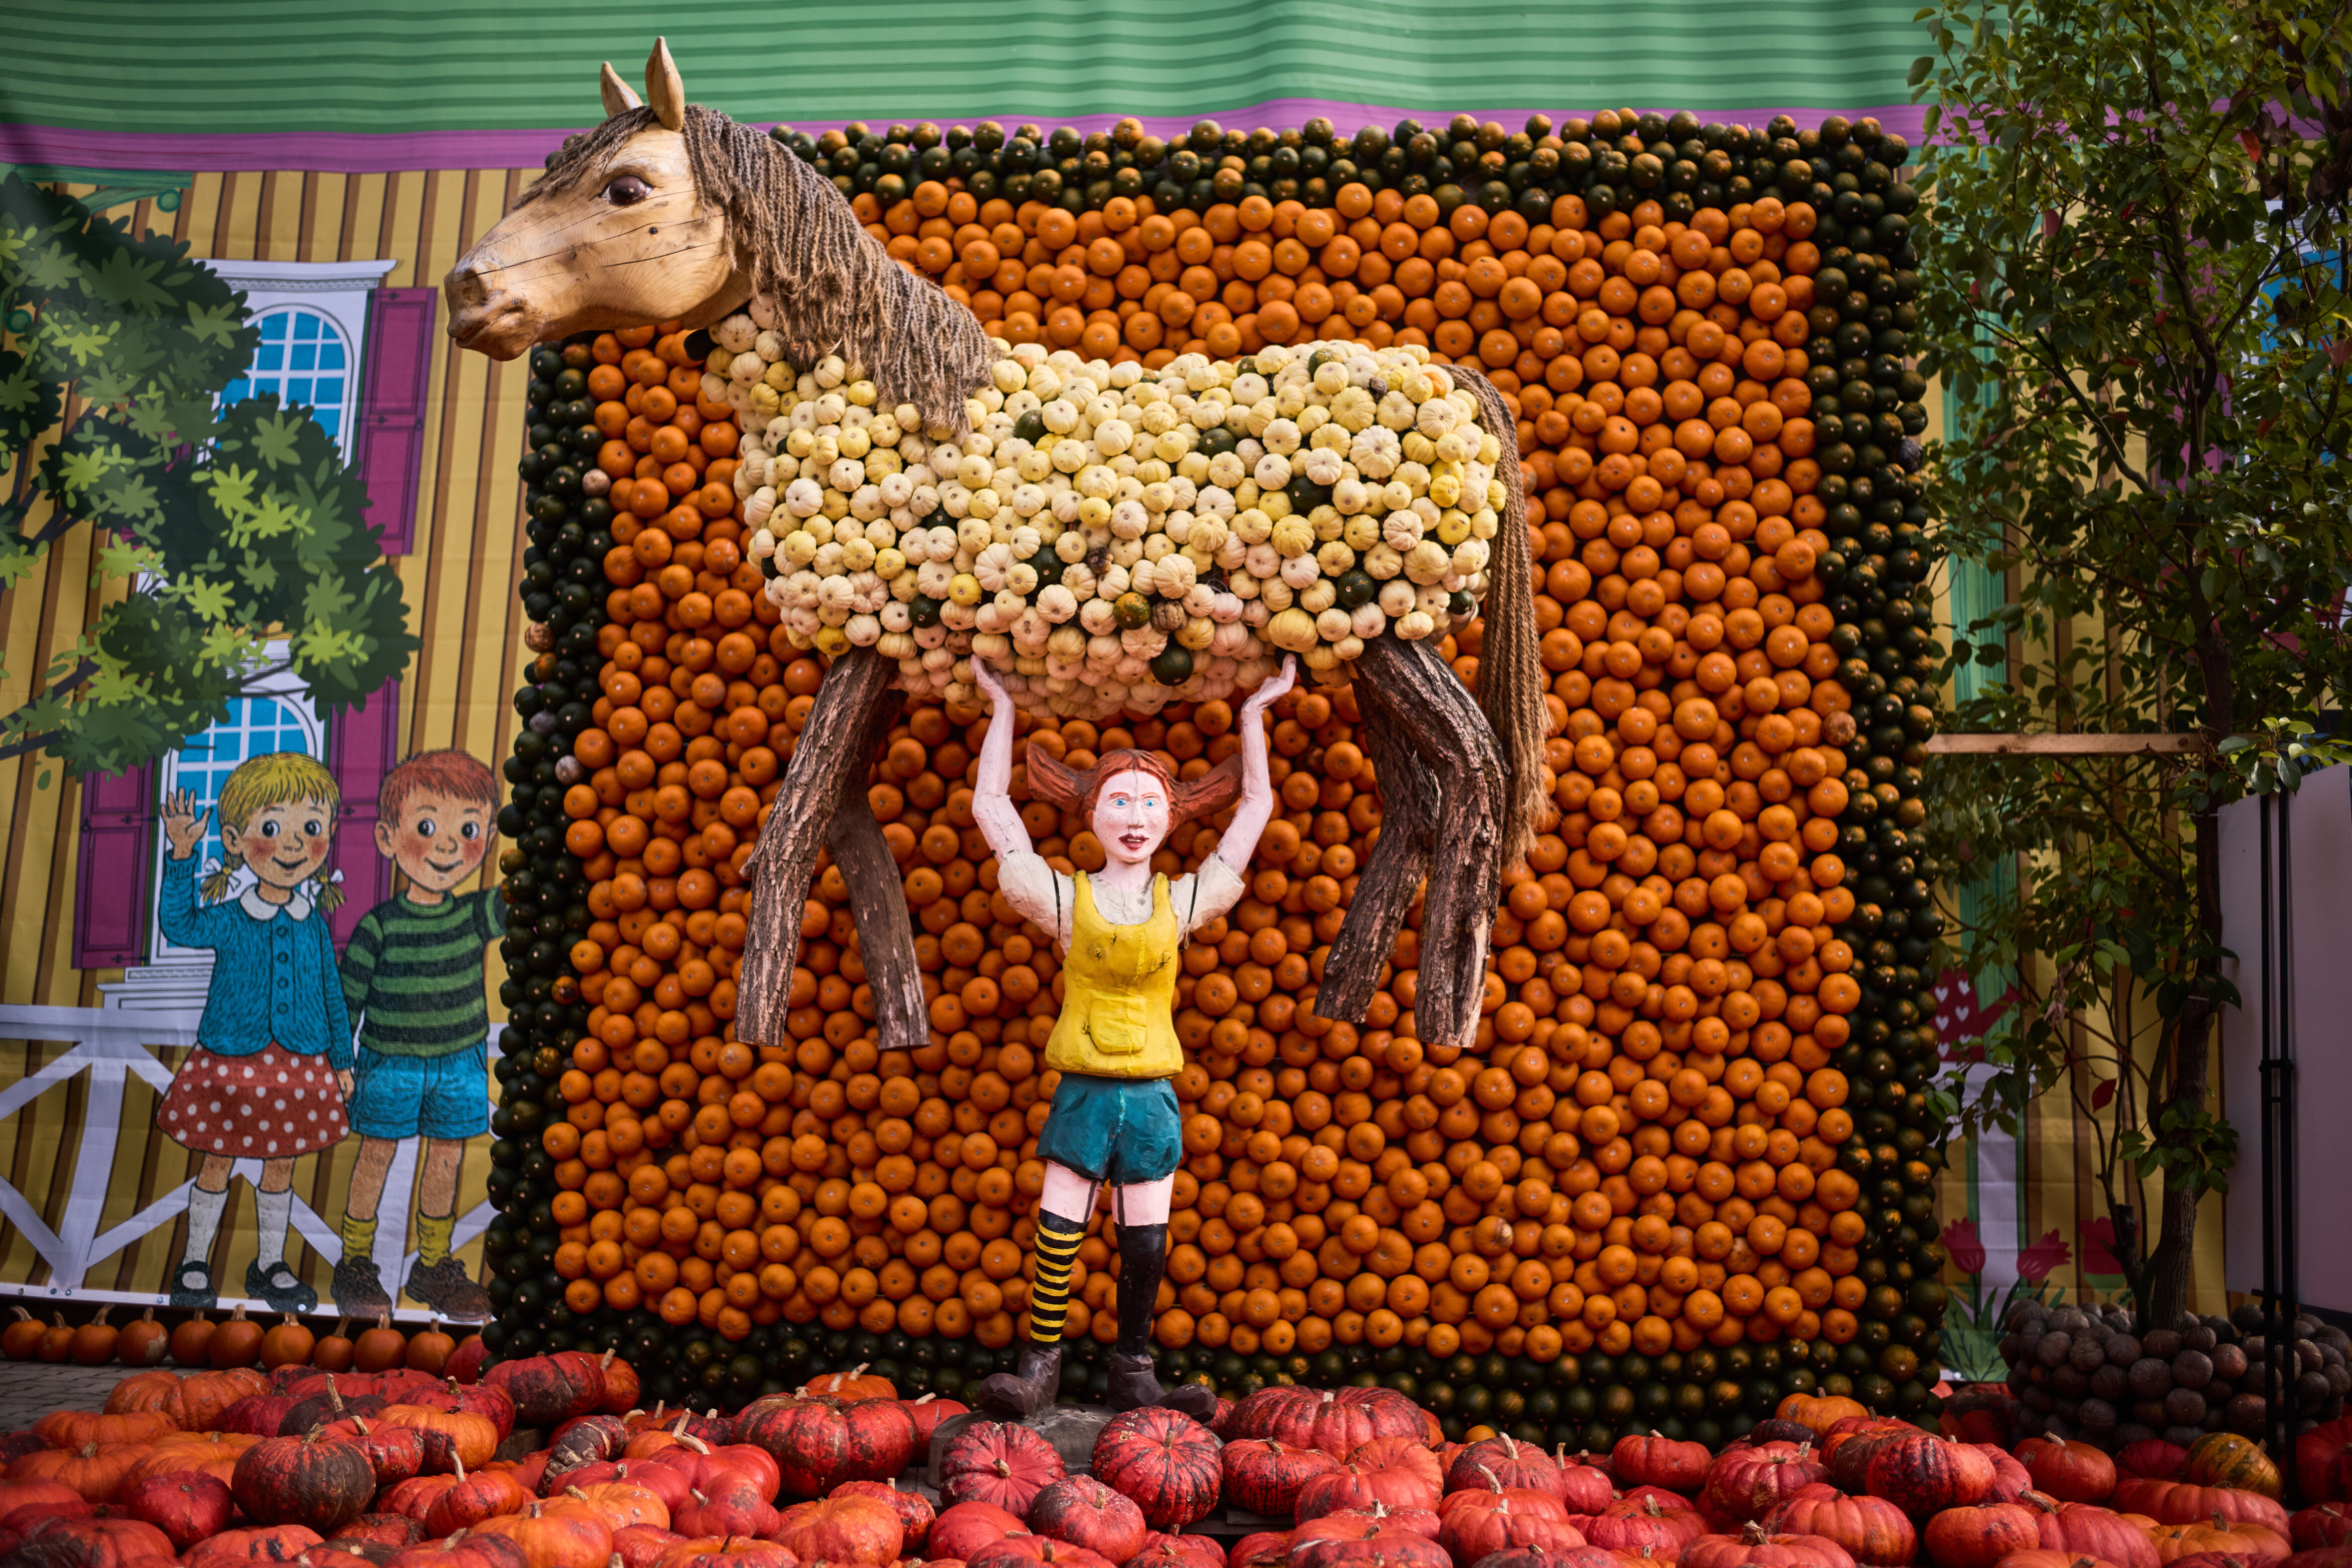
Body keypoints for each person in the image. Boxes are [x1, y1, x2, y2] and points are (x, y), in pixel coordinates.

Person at [966, 654, 1296, 1419]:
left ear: (1172, 817)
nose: (1135, 817)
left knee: (1144, 1240)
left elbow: (1254, 809)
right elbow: (992, 807)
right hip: (1082, 1090)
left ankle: (1133, 1369)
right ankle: (1039, 1367)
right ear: (1092, 815)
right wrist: (1001, 707)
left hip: (1150, 1095)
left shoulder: (1181, 904)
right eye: (1118, 801)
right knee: (1059, 1231)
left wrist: (1254, 719)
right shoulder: (1061, 899)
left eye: (1150, 803)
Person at [156, 754, 353, 1312]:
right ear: (238, 841)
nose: (292, 844)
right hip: (231, 1057)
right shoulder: (230, 916)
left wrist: (342, 1060)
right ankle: (196, 1260)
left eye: (310, 829)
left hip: (301, 1063)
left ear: (328, 837)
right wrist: (180, 854)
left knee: (281, 1163)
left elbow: (331, 994)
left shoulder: (311, 922)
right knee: (217, 1159)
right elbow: (179, 925)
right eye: (272, 828)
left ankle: (270, 1263)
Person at [331, 750, 503, 1320]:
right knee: (376, 1154)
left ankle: (433, 1266)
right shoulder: (379, 926)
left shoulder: (478, 914)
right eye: (427, 828)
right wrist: (340, 1059)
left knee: (447, 1159)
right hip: (390, 1059)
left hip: (460, 1059)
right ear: (388, 838)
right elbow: (347, 997)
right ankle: (356, 1263)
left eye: (469, 829)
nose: (448, 846)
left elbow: (529, 894)